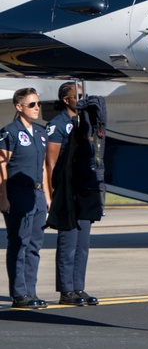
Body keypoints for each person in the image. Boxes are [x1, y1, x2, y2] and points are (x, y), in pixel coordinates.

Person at [45, 81, 98, 306]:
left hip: (83, 189)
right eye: (78, 96)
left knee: (82, 243)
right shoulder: (58, 124)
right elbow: (50, 162)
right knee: (68, 242)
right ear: (66, 100)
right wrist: (52, 195)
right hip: (65, 190)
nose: (82, 100)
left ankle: (78, 287)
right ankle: (66, 290)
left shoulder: (85, 122)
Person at [0, 88, 50, 309]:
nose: (37, 108)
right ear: (19, 107)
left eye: (38, 104)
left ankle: (30, 291)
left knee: (34, 244)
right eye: (32, 104)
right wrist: (3, 197)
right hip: (17, 194)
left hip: (37, 194)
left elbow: (43, 167)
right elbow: (1, 165)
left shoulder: (41, 133)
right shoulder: (9, 132)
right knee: (19, 242)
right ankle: (19, 294)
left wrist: (47, 196)